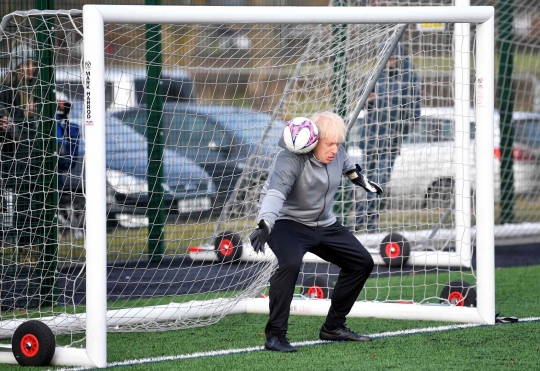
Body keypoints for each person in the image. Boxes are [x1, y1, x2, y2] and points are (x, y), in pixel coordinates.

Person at [249, 111, 382, 353]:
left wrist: (361, 180)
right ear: (312, 140)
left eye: (338, 143)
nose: (334, 149)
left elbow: (348, 166)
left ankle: (333, 326)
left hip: (324, 224)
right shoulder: (290, 159)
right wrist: (265, 222)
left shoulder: (337, 153)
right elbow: (275, 193)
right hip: (287, 223)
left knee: (362, 262)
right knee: (289, 263)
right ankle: (275, 336)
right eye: (329, 143)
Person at [356, 43, 421, 233]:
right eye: (387, 58)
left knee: (379, 182)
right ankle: (369, 225)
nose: (390, 62)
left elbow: (414, 112)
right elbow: (362, 101)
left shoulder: (409, 78)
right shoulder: (376, 75)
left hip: (391, 143)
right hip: (369, 141)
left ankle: (360, 221)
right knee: (369, 182)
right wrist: (369, 100)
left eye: (393, 59)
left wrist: (400, 133)